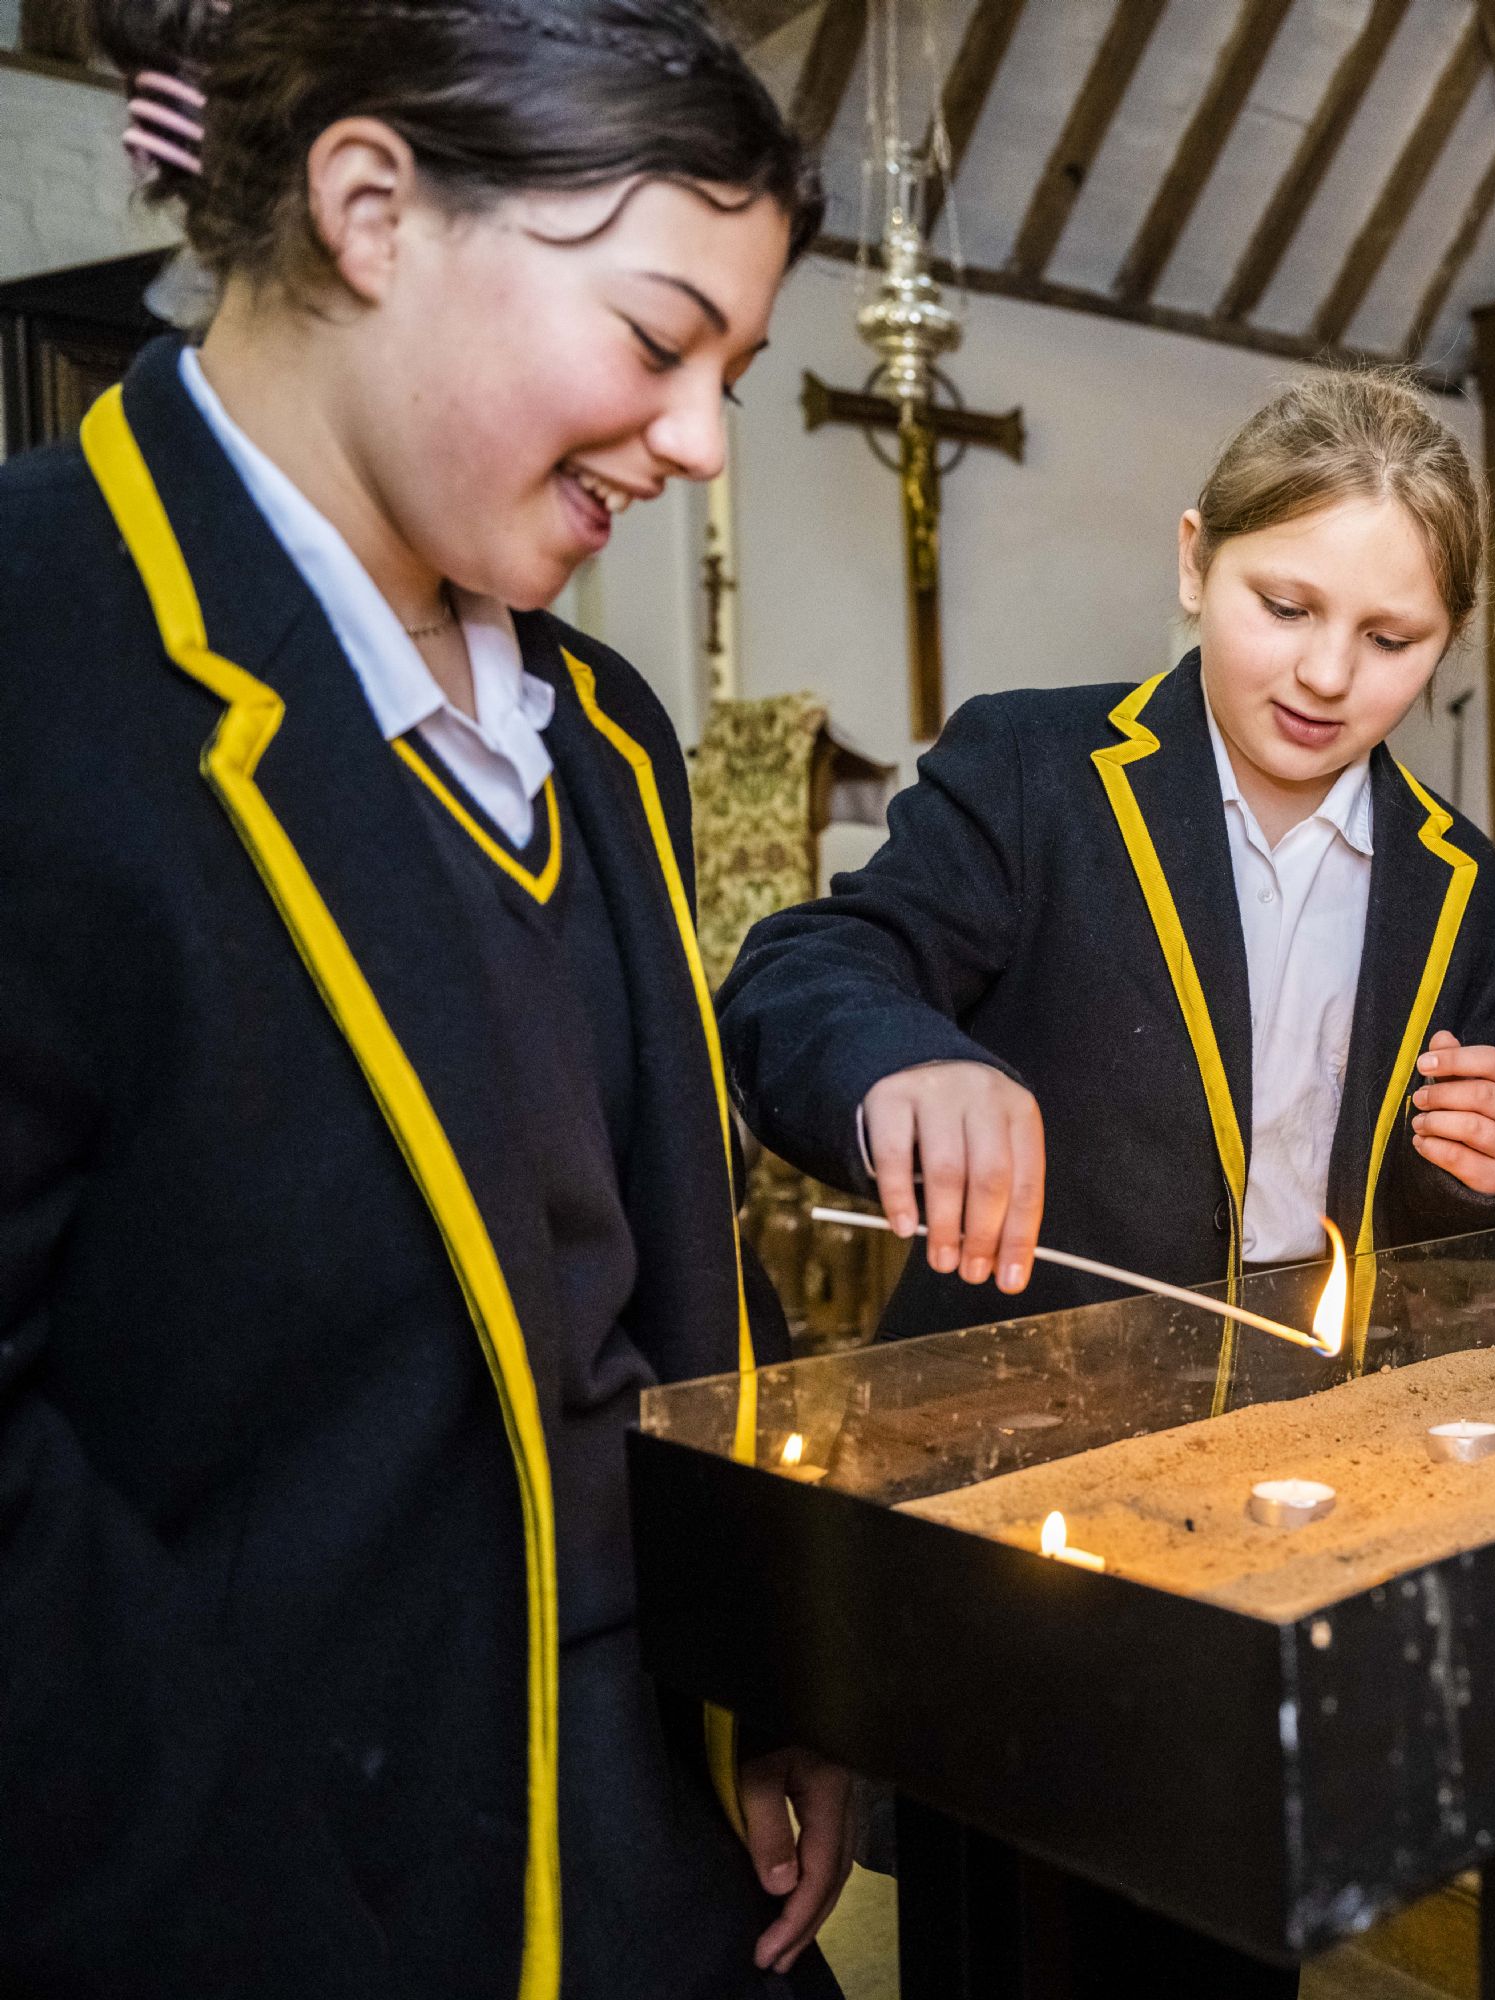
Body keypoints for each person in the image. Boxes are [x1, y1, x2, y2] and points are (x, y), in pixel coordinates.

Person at [0, 1, 854, 1994]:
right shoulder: (42, 660)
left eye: (733, 368)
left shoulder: (607, 734)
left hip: (648, 1838)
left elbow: (662, 1304)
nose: (702, 441)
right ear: (375, 208)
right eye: (658, 340)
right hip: (267, 1880)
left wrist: (773, 1675)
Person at [716, 371, 1495, 1992]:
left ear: (1452, 643)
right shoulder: (1033, 774)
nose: (1324, 672)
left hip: (1289, 1505)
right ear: (1192, 560)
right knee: (1011, 1939)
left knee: (1232, 1931)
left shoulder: (1474, 894)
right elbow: (809, 964)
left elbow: (1423, 1218)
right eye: (1283, 604)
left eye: (1392, 639)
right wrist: (906, 1063)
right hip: (1023, 1504)